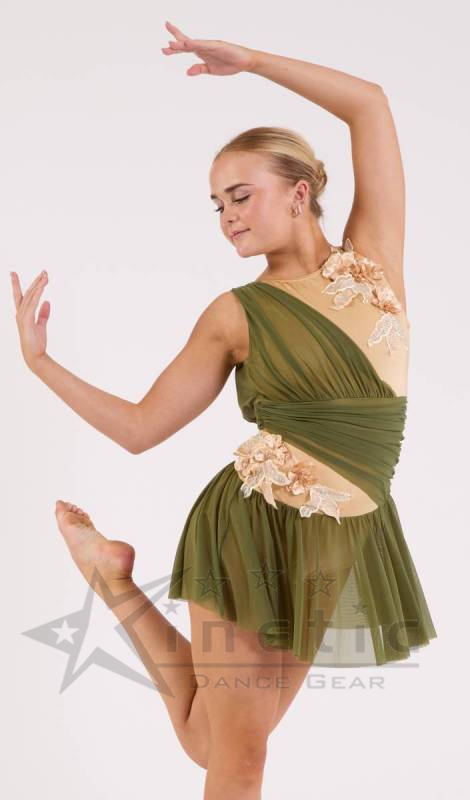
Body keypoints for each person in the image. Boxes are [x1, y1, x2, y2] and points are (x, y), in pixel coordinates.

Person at [10, 21, 437, 800]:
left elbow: (371, 105)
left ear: (300, 192)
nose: (227, 216)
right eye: (217, 205)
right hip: (253, 525)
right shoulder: (234, 314)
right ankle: (111, 579)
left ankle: (112, 579)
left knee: (215, 741)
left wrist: (255, 62)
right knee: (239, 762)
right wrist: (40, 365)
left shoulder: (373, 259)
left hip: (343, 534)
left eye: (241, 196)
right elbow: (141, 427)